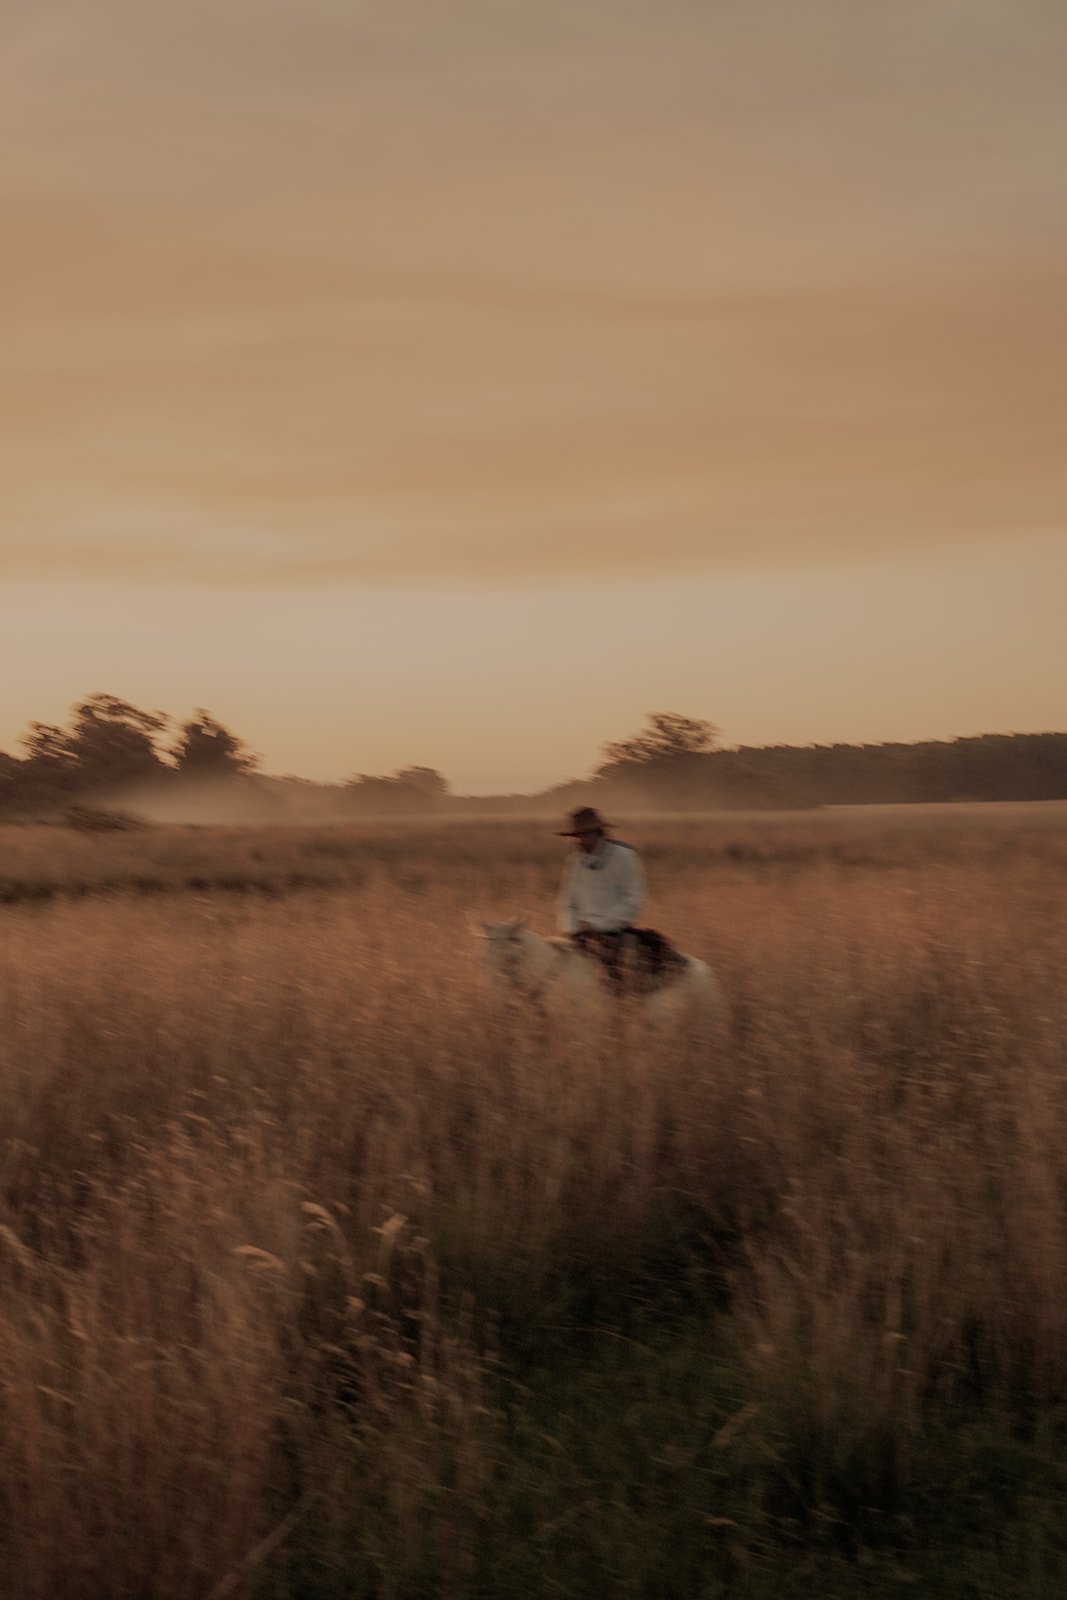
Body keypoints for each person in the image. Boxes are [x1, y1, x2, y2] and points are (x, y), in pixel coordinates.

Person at [556, 806, 645, 980]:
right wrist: (571, 928)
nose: (580, 841)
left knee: (621, 978)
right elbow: (566, 902)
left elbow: (632, 902)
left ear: (598, 833)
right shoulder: (574, 861)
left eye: (584, 835)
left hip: (616, 933)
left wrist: (598, 925)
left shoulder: (625, 857)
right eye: (576, 837)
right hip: (579, 936)